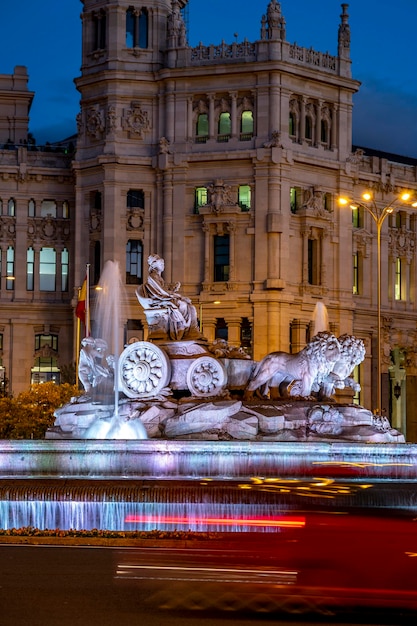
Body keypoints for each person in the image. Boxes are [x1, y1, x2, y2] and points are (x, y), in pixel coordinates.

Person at [137, 254, 202, 341]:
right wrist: (176, 295)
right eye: (161, 264)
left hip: (163, 299)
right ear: (154, 265)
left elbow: (163, 290)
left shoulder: (158, 277)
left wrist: (172, 288)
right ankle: (181, 330)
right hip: (158, 301)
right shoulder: (153, 277)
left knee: (191, 307)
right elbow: (160, 292)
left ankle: (191, 331)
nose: (163, 265)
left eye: (163, 264)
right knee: (182, 305)